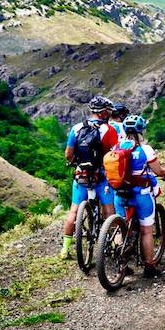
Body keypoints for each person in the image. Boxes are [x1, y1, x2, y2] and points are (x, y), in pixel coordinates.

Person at [113, 115, 165, 278]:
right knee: (147, 231)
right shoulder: (145, 149)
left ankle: (121, 261)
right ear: (141, 131)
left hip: (120, 193)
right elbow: (158, 172)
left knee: (122, 226)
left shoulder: (116, 147)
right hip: (141, 194)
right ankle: (149, 266)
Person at [61, 96, 119, 260]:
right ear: (102, 113)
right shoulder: (109, 130)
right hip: (101, 176)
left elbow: (68, 154)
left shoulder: (77, 128)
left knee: (73, 211)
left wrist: (76, 163)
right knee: (109, 211)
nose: (109, 114)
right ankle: (115, 247)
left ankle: (65, 250)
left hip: (82, 176)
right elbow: (114, 155)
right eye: (108, 111)